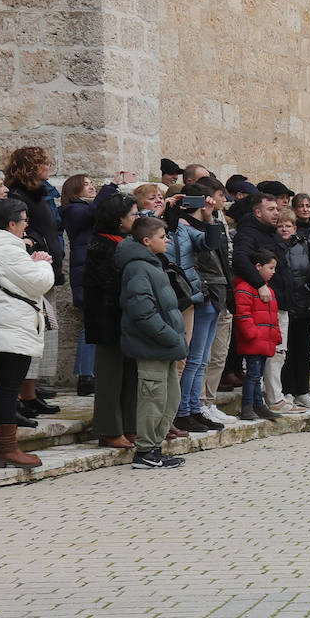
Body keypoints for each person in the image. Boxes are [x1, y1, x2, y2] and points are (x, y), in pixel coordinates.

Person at [0, 198, 52, 469]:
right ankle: (6, 448)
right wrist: (42, 263)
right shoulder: (6, 249)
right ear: (11, 223)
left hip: (7, 323)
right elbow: (39, 282)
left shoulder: (1, 247)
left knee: (7, 386)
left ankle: (4, 448)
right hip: (10, 324)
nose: (26, 224)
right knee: (8, 388)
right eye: (24, 220)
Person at [117, 217, 188, 469]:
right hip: (152, 344)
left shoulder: (152, 264)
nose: (167, 240)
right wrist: (170, 336)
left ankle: (155, 448)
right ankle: (145, 451)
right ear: (147, 241)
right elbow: (142, 311)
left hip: (164, 345)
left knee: (169, 397)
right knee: (153, 398)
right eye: (162, 237)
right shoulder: (137, 268)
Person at [3, 148, 62, 415]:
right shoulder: (17, 194)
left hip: (45, 267)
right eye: (42, 163)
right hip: (33, 267)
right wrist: (37, 243)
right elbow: (24, 228)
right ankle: (22, 395)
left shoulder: (39, 193)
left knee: (44, 334)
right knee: (33, 332)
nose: (48, 166)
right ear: (30, 167)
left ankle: (30, 392)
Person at [169, 188, 228, 433]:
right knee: (193, 359)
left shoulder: (193, 227)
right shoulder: (172, 226)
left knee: (201, 359)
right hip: (193, 294)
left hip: (208, 293)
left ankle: (193, 408)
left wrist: (210, 216)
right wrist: (167, 208)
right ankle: (183, 411)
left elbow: (211, 243)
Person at [83, 192, 139, 448]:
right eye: (133, 215)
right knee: (110, 376)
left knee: (130, 375)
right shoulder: (102, 245)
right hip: (108, 320)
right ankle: (108, 428)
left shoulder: (124, 242)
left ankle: (130, 426)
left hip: (126, 319)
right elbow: (107, 285)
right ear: (119, 220)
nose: (137, 219)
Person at [59, 175, 98, 395]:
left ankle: (88, 372)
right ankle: (85, 375)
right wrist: (111, 187)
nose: (91, 186)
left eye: (92, 183)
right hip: (85, 273)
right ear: (74, 190)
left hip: (89, 271)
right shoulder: (73, 210)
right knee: (88, 326)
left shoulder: (84, 209)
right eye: (86, 184)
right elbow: (93, 213)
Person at [233, 249, 284, 422]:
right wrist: (252, 334)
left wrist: (276, 335)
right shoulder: (244, 288)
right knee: (253, 374)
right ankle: (247, 406)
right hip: (254, 340)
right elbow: (242, 314)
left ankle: (258, 404)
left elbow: (273, 316)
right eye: (271, 268)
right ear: (258, 267)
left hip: (264, 340)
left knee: (258, 374)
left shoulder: (268, 290)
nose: (273, 272)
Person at [278, 210, 310, 410]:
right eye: (280, 226)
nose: (284, 229)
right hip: (284, 305)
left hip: (304, 305)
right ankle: (286, 390)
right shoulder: (273, 246)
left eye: (288, 225)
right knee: (286, 352)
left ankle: (303, 391)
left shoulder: (306, 246)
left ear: (294, 228)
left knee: (304, 351)